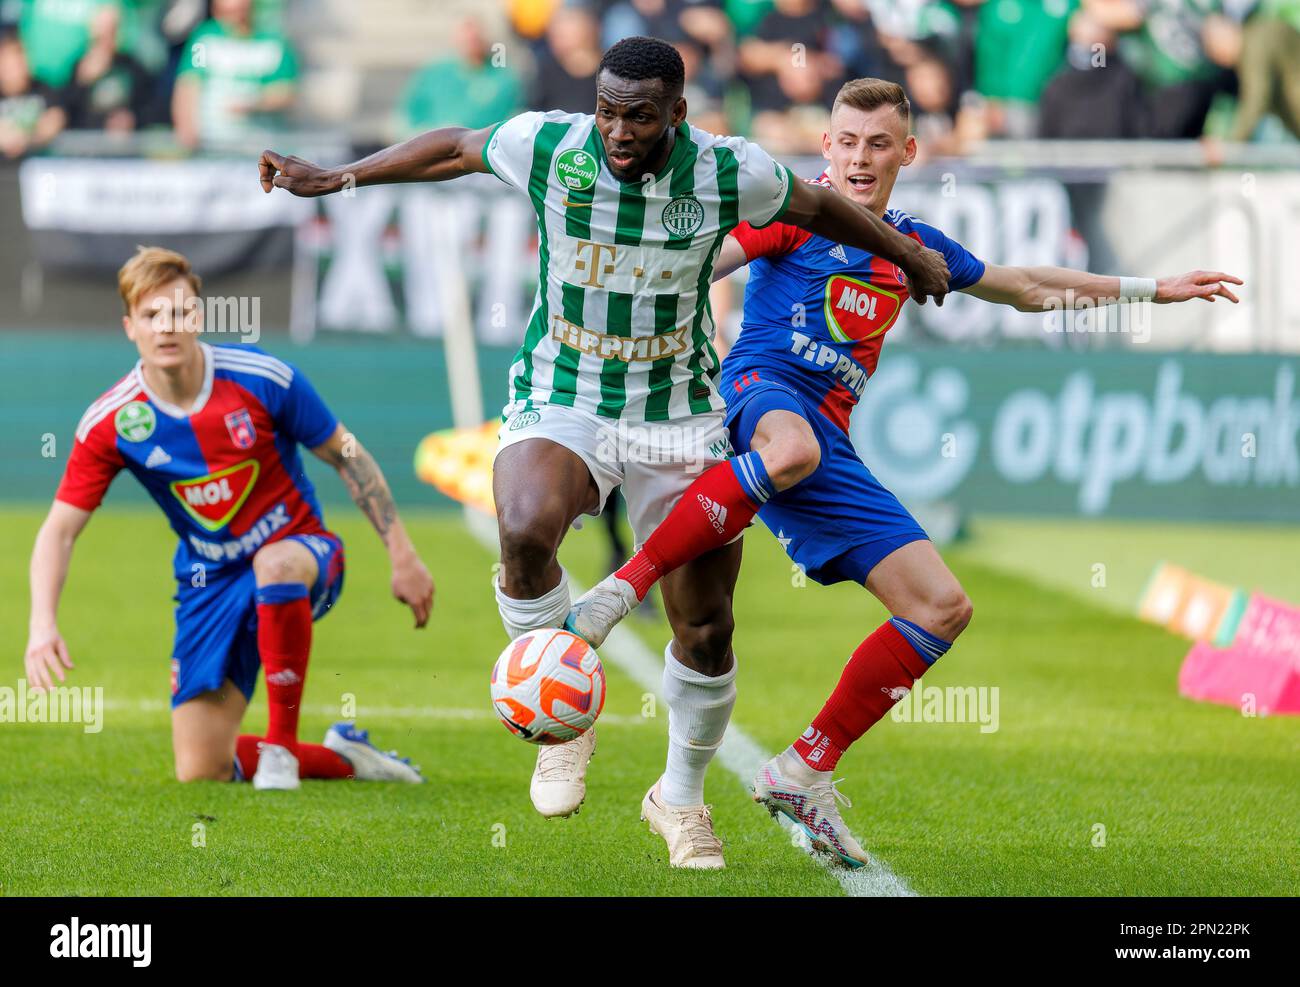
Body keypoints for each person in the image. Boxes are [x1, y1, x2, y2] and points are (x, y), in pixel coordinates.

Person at [259, 35, 951, 869]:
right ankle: (564, 720)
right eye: (609, 112)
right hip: (565, 392)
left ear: (677, 115)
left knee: (705, 626)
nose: (620, 133)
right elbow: (454, 146)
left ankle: (681, 797)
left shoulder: (730, 170)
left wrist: (904, 251)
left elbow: (816, 204)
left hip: (679, 409)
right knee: (522, 528)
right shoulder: (551, 146)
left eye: (641, 117)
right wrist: (343, 175)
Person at [566, 76, 1242, 868]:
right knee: (791, 450)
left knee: (942, 606)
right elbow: (709, 258)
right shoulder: (794, 212)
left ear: (907, 152)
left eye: (878, 144)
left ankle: (803, 769)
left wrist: (1152, 290)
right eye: (847, 141)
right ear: (826, 147)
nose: (860, 157)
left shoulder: (913, 248)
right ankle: (619, 589)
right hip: (761, 395)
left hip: (829, 443)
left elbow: (1024, 287)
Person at [24, 247, 435, 790]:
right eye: (151, 315)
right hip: (208, 579)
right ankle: (349, 759)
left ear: (198, 317)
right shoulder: (114, 421)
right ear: (130, 327)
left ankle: (283, 752)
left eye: (178, 312)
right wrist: (42, 623)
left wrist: (402, 555)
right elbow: (60, 529)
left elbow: (348, 455)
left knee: (276, 562)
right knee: (202, 769)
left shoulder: (263, 378)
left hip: (301, 552)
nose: (166, 327)